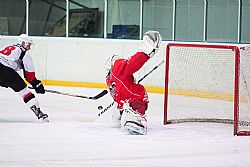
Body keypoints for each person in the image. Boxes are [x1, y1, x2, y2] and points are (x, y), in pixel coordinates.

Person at [106, 30, 162, 135]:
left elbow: (122, 84)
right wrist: (146, 52)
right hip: (132, 102)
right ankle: (133, 117)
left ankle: (119, 115)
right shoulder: (117, 69)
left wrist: (130, 80)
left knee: (121, 100)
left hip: (122, 104)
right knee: (140, 91)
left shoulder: (110, 79)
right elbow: (132, 63)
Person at [0, 34, 48, 122]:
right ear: (23, 43)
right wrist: (36, 84)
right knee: (25, 92)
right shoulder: (25, 54)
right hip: (6, 71)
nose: (29, 47)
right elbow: (30, 76)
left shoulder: (8, 46)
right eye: (28, 44)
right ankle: (39, 113)